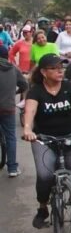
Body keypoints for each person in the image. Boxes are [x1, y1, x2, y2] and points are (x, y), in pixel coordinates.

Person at [22, 54, 71, 230]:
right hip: (43, 140)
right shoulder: (36, 90)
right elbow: (30, 110)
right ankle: (43, 209)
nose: (60, 70)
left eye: (62, 67)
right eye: (54, 68)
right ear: (43, 72)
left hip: (70, 136)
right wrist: (28, 129)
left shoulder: (69, 87)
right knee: (45, 176)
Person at [0, 45, 28, 177]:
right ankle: (12, 168)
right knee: (11, 137)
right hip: (8, 108)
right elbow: (24, 85)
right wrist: (15, 92)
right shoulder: (13, 69)